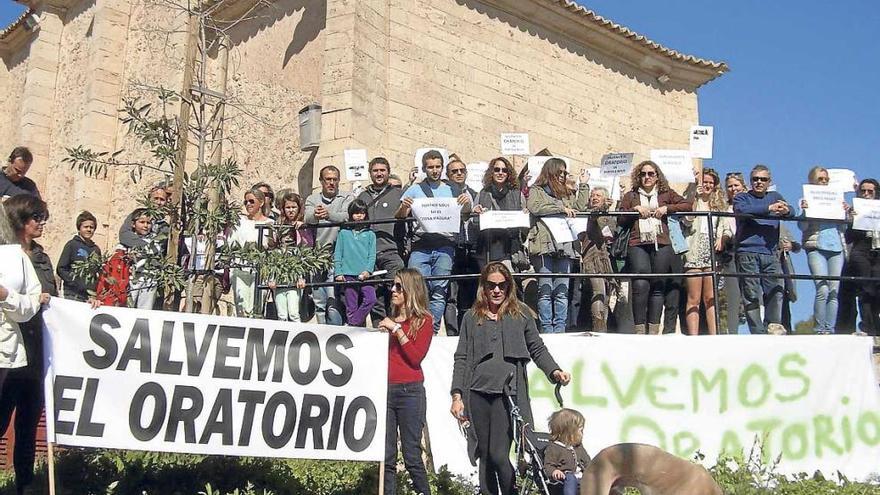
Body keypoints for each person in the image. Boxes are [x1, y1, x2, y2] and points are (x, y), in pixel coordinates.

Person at [451, 262, 572, 495]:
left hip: (508, 394)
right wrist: (457, 395)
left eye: (502, 285)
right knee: (484, 455)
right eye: (491, 285)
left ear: (509, 287)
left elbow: (537, 348)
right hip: (476, 392)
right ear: (483, 287)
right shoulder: (470, 317)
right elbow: (462, 358)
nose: (497, 290)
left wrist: (554, 371)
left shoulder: (522, 313)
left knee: (499, 454)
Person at [0, 194, 54, 494]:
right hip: (8, 349)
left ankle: (25, 482)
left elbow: (53, 298)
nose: (41, 223)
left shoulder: (42, 258)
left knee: (29, 421)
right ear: (20, 221)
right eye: (36, 218)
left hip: (35, 351)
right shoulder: (5, 256)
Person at [397, 149, 471, 334]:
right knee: (417, 290)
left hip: (445, 246)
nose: (435, 170)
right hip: (420, 245)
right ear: (424, 169)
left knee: (439, 291)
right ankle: (418, 328)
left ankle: (432, 331)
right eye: (431, 167)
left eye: (438, 166)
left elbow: (465, 212)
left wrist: (466, 202)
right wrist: (404, 207)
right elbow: (399, 216)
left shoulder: (452, 189)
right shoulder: (414, 189)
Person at [376, 268, 433, 495]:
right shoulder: (388, 320)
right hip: (386, 390)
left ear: (411, 290)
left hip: (410, 391)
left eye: (399, 287)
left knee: (411, 454)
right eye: (393, 285)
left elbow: (415, 357)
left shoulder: (424, 321)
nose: (393, 290)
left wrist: (397, 330)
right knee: (386, 455)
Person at [619, 160, 692, 335]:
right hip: (638, 243)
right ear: (638, 176)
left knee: (658, 285)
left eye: (651, 174)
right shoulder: (631, 196)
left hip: (663, 242)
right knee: (641, 284)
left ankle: (653, 329)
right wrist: (635, 209)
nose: (647, 177)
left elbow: (687, 205)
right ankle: (639, 329)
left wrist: (667, 208)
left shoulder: (666, 193)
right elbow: (621, 218)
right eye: (643, 174)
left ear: (657, 176)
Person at [526, 158, 589, 333]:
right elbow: (535, 207)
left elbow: (580, 207)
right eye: (559, 172)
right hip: (544, 245)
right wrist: (560, 208)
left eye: (564, 173)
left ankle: (559, 328)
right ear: (550, 172)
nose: (562, 176)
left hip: (565, 245)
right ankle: (547, 328)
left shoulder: (566, 193)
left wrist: (583, 186)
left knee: (562, 290)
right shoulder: (536, 190)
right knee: (545, 289)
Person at [733, 164, 793, 334]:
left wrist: (787, 210)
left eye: (763, 179)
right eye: (755, 179)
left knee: (776, 288)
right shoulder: (742, 197)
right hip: (747, 252)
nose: (759, 182)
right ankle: (757, 331)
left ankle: (773, 324)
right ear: (750, 181)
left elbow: (791, 211)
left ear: (769, 181)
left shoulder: (775, 196)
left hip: (771, 252)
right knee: (751, 293)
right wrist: (769, 209)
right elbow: (743, 210)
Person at [357, 157, 406, 327]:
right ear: (370, 173)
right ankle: (379, 328)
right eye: (375, 170)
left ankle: (396, 326)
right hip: (368, 254)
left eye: (382, 170)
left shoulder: (399, 194)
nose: (379, 174)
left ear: (388, 172)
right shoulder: (362, 196)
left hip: (392, 251)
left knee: (396, 290)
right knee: (374, 294)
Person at [798, 166, 847, 334]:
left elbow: (844, 228)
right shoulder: (807, 199)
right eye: (820, 179)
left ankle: (829, 328)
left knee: (834, 290)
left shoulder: (836, 199)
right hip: (816, 246)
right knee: (822, 288)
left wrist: (846, 213)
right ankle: (819, 329)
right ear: (812, 181)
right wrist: (804, 211)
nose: (824, 182)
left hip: (837, 248)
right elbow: (802, 226)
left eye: (826, 179)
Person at [681, 168, 729, 335]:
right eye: (705, 182)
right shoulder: (693, 200)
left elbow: (726, 227)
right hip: (694, 249)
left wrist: (721, 237)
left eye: (710, 182)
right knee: (694, 297)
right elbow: (687, 221)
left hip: (711, 251)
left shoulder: (719, 205)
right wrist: (694, 194)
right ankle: (694, 335)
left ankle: (714, 334)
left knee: (710, 298)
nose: (707, 185)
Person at [305, 165, 353, 325]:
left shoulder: (346, 197)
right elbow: (308, 219)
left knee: (333, 301)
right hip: (317, 256)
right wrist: (316, 215)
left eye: (335, 179)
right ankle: (321, 334)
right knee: (319, 301)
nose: (331, 183)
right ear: (321, 181)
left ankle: (335, 333)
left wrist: (329, 214)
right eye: (328, 179)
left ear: (339, 180)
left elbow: (348, 216)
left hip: (338, 256)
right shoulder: (312, 199)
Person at [445, 157, 481, 336]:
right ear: (447, 175)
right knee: (452, 294)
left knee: (473, 293)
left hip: (472, 246)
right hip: (453, 245)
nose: (459, 174)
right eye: (454, 171)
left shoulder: (476, 193)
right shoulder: (443, 195)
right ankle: (453, 333)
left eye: (462, 170)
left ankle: (471, 333)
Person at [267, 190, 313, 322]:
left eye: (294, 207)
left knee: (293, 313)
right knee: (281, 314)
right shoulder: (278, 225)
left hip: (296, 272)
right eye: (288, 207)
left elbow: (306, 249)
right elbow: (273, 252)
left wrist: (301, 276)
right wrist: (272, 277)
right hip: (280, 271)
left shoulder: (303, 225)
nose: (291, 210)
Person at [227, 188, 273, 317]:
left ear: (261, 202)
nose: (248, 204)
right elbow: (231, 243)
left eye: (252, 201)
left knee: (257, 308)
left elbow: (270, 246)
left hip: (260, 270)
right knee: (241, 309)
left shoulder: (270, 223)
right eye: (246, 202)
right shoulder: (239, 222)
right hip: (240, 269)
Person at [476, 157, 528, 270]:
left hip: (509, 247)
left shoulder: (517, 195)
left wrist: (525, 216)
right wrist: (476, 212)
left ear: (508, 174)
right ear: (491, 172)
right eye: (497, 169)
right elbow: (474, 222)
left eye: (504, 170)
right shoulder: (483, 193)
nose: (500, 173)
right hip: (487, 247)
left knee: (507, 279)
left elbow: (525, 229)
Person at [845, 178, 880, 335]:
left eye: (870, 191)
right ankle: (869, 326)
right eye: (863, 191)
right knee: (865, 288)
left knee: (877, 289)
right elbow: (848, 237)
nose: (866, 194)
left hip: (878, 250)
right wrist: (852, 219)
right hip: (861, 249)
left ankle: (876, 325)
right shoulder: (855, 209)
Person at [578, 186, 616, 332]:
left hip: (606, 258)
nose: (594, 197)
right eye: (592, 195)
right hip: (592, 259)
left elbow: (610, 232)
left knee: (606, 294)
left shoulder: (608, 214)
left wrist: (608, 210)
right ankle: (598, 327)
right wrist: (601, 211)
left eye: (598, 195)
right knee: (598, 291)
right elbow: (597, 222)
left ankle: (603, 326)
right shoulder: (589, 213)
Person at [334, 200, 378, 326]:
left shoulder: (370, 234)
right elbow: (338, 253)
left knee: (370, 298)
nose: (359, 216)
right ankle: (354, 326)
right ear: (350, 214)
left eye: (362, 213)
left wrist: (368, 271)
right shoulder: (343, 233)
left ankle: (353, 323)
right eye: (356, 213)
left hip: (365, 275)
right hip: (348, 274)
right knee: (351, 304)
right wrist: (338, 271)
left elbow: (372, 255)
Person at [720, 172, 747, 333]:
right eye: (730, 186)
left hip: (748, 251)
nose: (733, 189)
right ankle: (732, 332)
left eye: (736, 185)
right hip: (731, 252)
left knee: (752, 293)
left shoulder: (751, 204)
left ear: (743, 186)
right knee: (733, 295)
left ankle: (759, 332)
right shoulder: (724, 208)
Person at [56, 210, 102, 301]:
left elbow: (98, 272)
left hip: (89, 297)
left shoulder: (96, 249)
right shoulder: (72, 245)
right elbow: (61, 268)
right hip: (72, 294)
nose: (89, 229)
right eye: (85, 227)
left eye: (91, 227)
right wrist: (75, 282)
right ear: (79, 228)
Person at [543, 408, 591, 495]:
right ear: (568, 432)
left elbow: (587, 461)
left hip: (581, 479)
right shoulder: (554, 448)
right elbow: (548, 465)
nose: (583, 433)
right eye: (580, 430)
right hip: (564, 481)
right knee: (570, 478)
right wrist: (554, 471)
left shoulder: (578, 446)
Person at [126, 208, 163, 310]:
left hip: (149, 280)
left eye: (148, 223)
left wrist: (139, 253)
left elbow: (153, 252)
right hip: (132, 280)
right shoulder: (128, 238)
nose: (145, 226)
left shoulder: (155, 240)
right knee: (127, 307)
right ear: (133, 224)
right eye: (142, 222)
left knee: (145, 310)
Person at [118, 183, 170, 252]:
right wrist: (145, 246)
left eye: (162, 200)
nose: (158, 202)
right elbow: (124, 235)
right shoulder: (137, 215)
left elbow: (159, 246)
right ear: (149, 199)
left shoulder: (164, 226)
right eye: (156, 198)